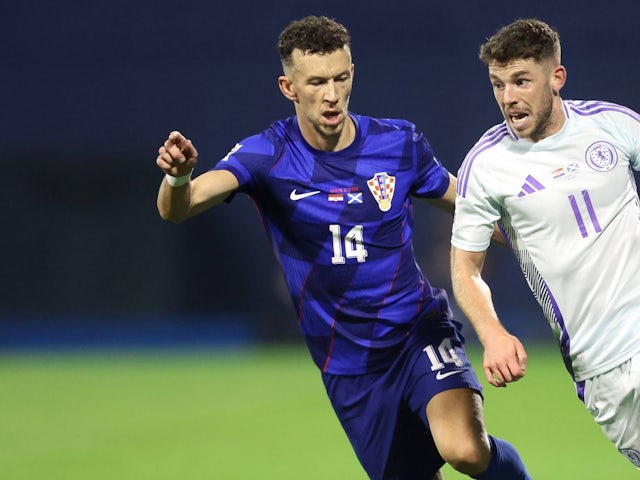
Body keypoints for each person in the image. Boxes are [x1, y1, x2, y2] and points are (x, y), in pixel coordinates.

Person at [156, 15, 531, 479]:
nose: (331, 94)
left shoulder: (398, 144)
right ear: (288, 87)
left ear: (352, 72)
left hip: (417, 331)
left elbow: (473, 211)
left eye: (340, 77)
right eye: (316, 82)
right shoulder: (268, 154)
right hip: (349, 365)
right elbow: (180, 207)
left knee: (465, 450)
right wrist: (177, 176)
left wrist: (540, 238)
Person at [451, 18, 640, 469]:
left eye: (520, 81)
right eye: (498, 84)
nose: (508, 98)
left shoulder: (612, 124)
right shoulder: (487, 165)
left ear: (556, 78)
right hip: (604, 365)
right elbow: (466, 268)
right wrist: (492, 334)